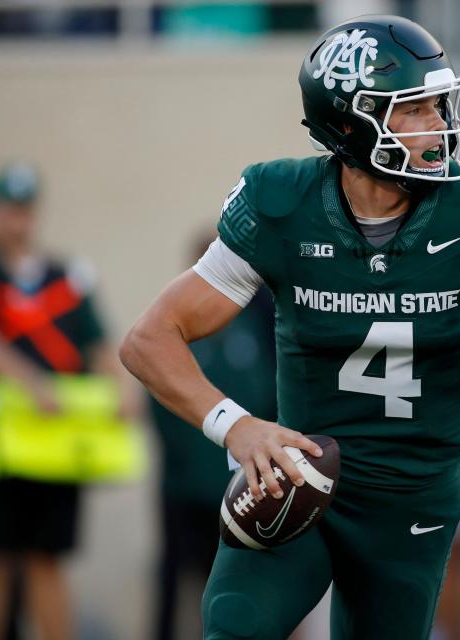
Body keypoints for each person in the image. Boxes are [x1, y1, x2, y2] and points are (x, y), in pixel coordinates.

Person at [120, 15, 460, 640]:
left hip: (414, 494)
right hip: (305, 476)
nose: (440, 124)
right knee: (235, 626)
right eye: (415, 108)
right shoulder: (282, 203)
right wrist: (237, 427)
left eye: (440, 104)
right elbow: (148, 339)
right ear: (351, 123)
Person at [0, 161, 131, 640]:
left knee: (47, 558)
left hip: (54, 441)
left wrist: (122, 387)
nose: (18, 220)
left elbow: (96, 341)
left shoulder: (65, 276)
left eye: (25, 209)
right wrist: (30, 382)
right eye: (9, 208)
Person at [151, 233, 277, 640]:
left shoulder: (254, 326)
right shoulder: (175, 326)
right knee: (175, 581)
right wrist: (182, 463)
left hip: (241, 487)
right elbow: (158, 394)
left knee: (242, 587)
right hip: (185, 487)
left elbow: (269, 396)